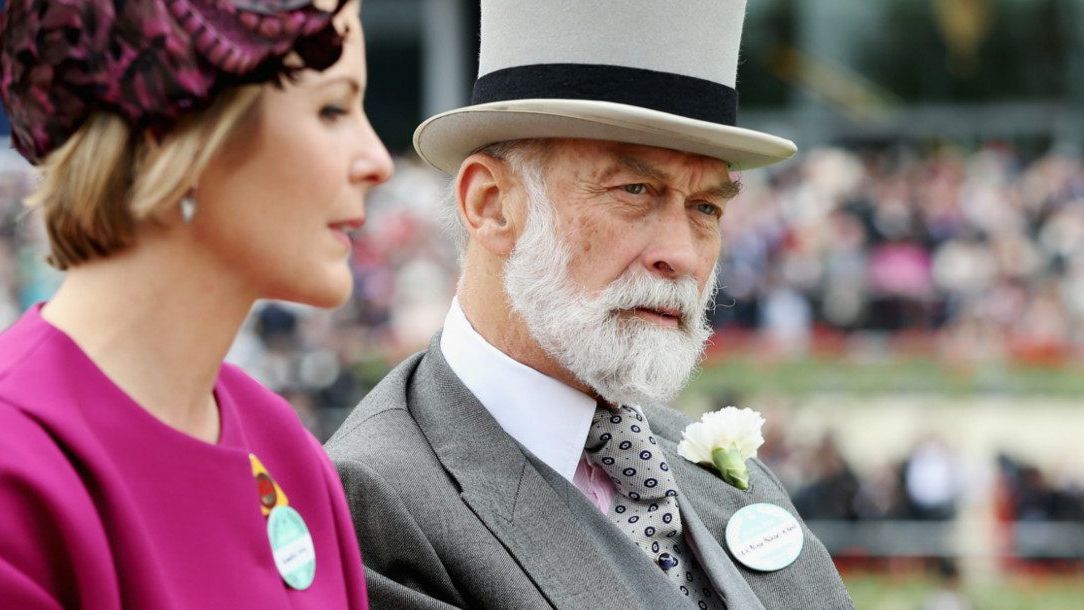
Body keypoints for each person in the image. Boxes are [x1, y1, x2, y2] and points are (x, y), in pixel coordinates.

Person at [326, 1, 853, 608]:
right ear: (492, 204)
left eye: (706, 207)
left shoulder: (709, 470)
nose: (680, 254)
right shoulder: (375, 501)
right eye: (634, 191)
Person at [0, 0, 392, 607]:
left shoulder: (288, 449)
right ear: (176, 129)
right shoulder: (20, 473)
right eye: (332, 108)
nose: (378, 162)